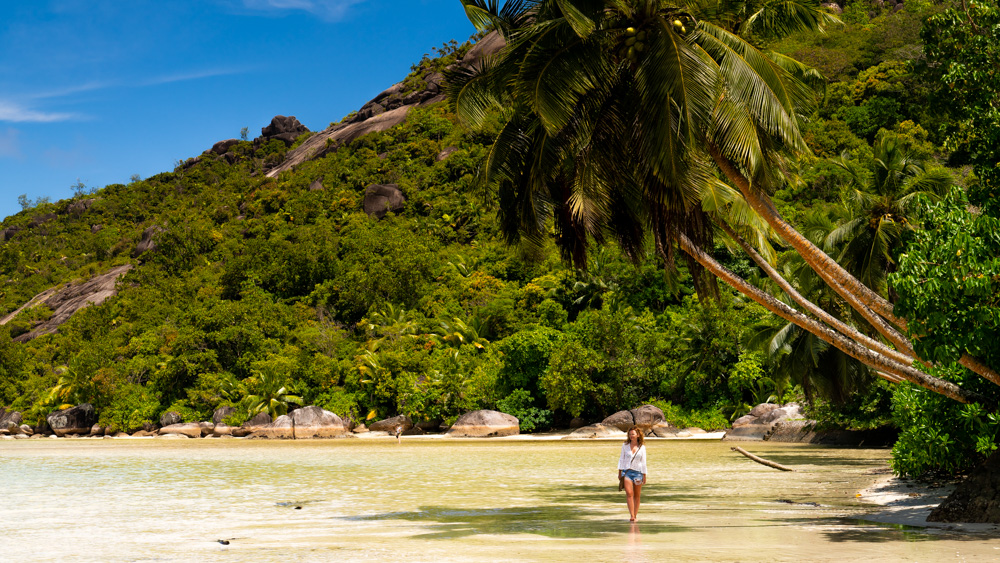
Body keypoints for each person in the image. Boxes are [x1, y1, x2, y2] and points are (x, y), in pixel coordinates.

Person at [617, 425, 647, 522]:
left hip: (638, 473)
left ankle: (635, 515)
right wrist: (620, 472)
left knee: (637, 495)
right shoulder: (625, 445)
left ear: (638, 435)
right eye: (630, 434)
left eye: (633, 434)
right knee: (629, 493)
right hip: (627, 472)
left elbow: (643, 462)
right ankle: (632, 515)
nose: (631, 436)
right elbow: (621, 459)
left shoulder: (642, 447)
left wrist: (644, 475)